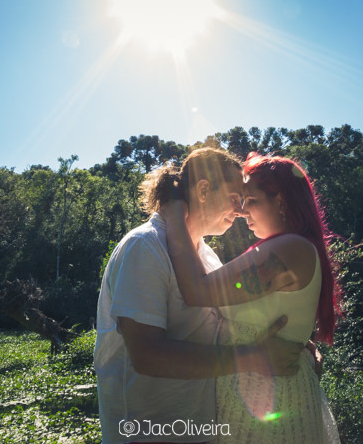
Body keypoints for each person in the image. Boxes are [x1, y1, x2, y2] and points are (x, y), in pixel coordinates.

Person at [94, 148, 306, 444]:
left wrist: (298, 344)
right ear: (204, 190)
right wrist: (254, 358)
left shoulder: (207, 259)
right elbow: (147, 356)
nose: (241, 210)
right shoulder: (144, 247)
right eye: (235, 199)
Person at [161, 153, 342, 443]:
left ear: (281, 202)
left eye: (252, 201)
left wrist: (175, 219)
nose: (243, 212)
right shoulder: (287, 248)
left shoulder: (290, 249)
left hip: (272, 405)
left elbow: (197, 291)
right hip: (259, 399)